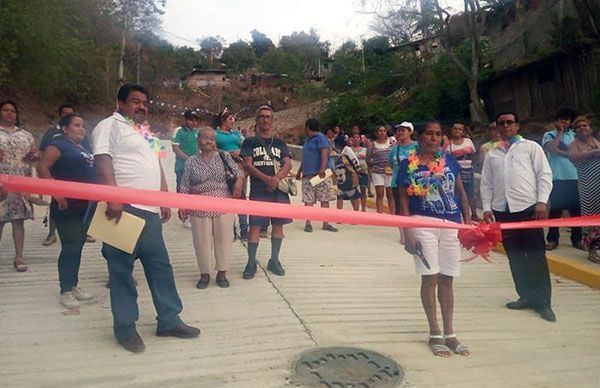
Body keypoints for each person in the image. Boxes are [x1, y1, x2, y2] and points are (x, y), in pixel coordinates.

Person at [92, 83, 199, 353]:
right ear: (120, 103)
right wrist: (113, 197)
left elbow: (157, 163)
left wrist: (163, 195)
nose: (141, 106)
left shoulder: (145, 131)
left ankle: (169, 320)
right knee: (121, 273)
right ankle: (126, 329)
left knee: (160, 267)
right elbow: (102, 160)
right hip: (122, 210)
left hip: (150, 212)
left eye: (145, 102)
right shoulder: (109, 126)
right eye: (135, 101)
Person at [398, 120, 471, 357]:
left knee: (448, 278)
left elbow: (460, 191)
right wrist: (406, 230)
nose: (434, 138)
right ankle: (435, 332)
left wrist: (467, 220)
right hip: (422, 224)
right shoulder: (407, 165)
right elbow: (403, 201)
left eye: (438, 134)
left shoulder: (449, 160)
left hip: (450, 223)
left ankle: (450, 333)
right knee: (430, 278)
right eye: (428, 133)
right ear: (418, 136)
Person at [480, 112, 555, 322]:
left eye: (509, 123)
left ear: (517, 126)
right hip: (502, 211)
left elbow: (544, 175)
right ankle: (525, 296)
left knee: (535, 255)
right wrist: (486, 208)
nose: (505, 126)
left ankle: (543, 302)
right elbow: (486, 183)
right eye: (501, 123)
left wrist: (541, 201)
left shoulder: (531, 147)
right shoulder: (492, 154)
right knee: (515, 256)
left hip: (528, 208)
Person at [37, 113, 96, 309]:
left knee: (77, 246)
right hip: (66, 205)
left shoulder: (83, 147)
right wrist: (56, 193)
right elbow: (43, 167)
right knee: (70, 246)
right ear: (65, 129)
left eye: (83, 126)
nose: (82, 129)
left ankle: (73, 284)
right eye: (77, 125)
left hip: (84, 205)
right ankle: (65, 290)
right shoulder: (58, 144)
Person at [179, 128, 244, 289]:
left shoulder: (224, 156)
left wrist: (238, 184)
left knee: (224, 239)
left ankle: (222, 272)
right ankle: (204, 274)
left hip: (222, 202)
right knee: (201, 241)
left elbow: (239, 173)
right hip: (199, 206)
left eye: (212, 139)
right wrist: (182, 206)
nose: (209, 141)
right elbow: (185, 185)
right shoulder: (191, 161)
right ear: (198, 141)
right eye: (205, 138)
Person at [240, 105, 292, 279]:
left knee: (278, 225)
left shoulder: (279, 143)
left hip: (278, 190)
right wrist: (266, 179)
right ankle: (251, 261)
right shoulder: (250, 142)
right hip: (259, 189)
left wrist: (275, 179)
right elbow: (248, 164)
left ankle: (274, 260)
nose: (265, 119)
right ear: (256, 120)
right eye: (261, 116)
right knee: (255, 226)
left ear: (272, 120)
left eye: (268, 116)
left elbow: (288, 164)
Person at [0, 100, 38, 272]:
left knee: (18, 221)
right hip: (1, 183)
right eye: (5, 110)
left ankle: (19, 256)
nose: (9, 113)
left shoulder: (26, 135)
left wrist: (33, 156)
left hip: (20, 182)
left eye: (12, 111)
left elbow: (34, 158)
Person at [542, 109, 582, 251]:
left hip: (574, 177)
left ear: (571, 122)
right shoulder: (549, 135)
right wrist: (559, 133)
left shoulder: (575, 135)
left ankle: (577, 239)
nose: (563, 122)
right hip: (557, 178)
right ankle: (553, 239)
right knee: (555, 210)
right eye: (560, 119)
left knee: (576, 210)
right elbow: (551, 148)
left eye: (566, 119)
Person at [39, 103, 78, 246]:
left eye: (71, 114)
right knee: (56, 205)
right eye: (65, 114)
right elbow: (43, 154)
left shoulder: (79, 133)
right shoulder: (51, 133)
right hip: (57, 176)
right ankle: (51, 233)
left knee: (78, 205)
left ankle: (84, 232)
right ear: (60, 115)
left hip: (75, 177)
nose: (68, 116)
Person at [567, 116, 600, 263]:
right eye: (579, 126)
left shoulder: (596, 142)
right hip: (588, 186)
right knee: (591, 218)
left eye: (585, 125)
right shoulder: (574, 144)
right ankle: (593, 250)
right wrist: (594, 152)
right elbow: (574, 157)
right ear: (575, 131)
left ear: (591, 128)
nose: (582, 128)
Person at [296, 118, 337, 233]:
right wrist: (300, 171)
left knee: (324, 198)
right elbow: (305, 157)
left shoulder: (321, 138)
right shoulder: (307, 141)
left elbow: (324, 152)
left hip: (320, 174)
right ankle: (308, 222)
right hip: (308, 174)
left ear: (308, 127)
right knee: (308, 199)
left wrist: (322, 168)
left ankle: (326, 223)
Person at [215, 110, 248, 240]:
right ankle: (230, 228)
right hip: (223, 167)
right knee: (227, 197)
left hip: (239, 166)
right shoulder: (216, 134)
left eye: (233, 119)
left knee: (242, 196)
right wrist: (227, 153)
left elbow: (245, 146)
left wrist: (240, 151)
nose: (232, 121)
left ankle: (244, 228)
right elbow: (212, 148)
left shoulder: (236, 134)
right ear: (223, 120)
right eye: (230, 119)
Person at [443, 122, 479, 221]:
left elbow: (474, 155)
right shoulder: (447, 145)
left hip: (469, 171)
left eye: (460, 129)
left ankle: (474, 214)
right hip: (455, 173)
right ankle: (460, 215)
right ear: (451, 130)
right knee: (457, 194)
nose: (457, 131)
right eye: (455, 129)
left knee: (471, 193)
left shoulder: (468, 142)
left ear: (463, 132)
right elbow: (445, 160)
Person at [389, 122, 418, 216]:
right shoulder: (394, 149)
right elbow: (391, 164)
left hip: (414, 183)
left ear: (410, 132)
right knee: (400, 210)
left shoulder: (417, 146)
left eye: (403, 130)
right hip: (397, 183)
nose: (400, 132)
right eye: (399, 130)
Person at [367, 125, 395, 214]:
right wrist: (372, 167)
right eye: (380, 131)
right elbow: (368, 159)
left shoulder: (391, 144)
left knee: (390, 194)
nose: (382, 132)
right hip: (377, 172)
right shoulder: (372, 145)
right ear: (376, 133)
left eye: (384, 131)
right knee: (379, 194)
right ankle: (380, 214)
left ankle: (392, 214)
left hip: (389, 172)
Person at [172, 110, 199, 192]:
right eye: (191, 120)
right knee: (182, 191)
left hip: (195, 167)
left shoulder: (196, 132)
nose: (193, 123)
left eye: (195, 120)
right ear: (185, 120)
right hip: (182, 167)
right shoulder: (179, 131)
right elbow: (175, 148)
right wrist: (188, 159)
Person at [333, 135, 361, 211]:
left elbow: (355, 162)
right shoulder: (339, 152)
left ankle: (355, 214)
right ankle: (339, 216)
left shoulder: (347, 150)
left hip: (351, 177)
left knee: (353, 196)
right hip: (341, 178)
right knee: (340, 196)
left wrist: (357, 172)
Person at [350, 133, 368, 211]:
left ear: (360, 139)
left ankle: (363, 208)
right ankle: (355, 209)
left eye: (357, 137)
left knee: (363, 190)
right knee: (353, 191)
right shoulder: (348, 150)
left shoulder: (365, 150)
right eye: (354, 137)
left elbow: (369, 160)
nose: (355, 139)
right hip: (352, 173)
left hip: (363, 172)